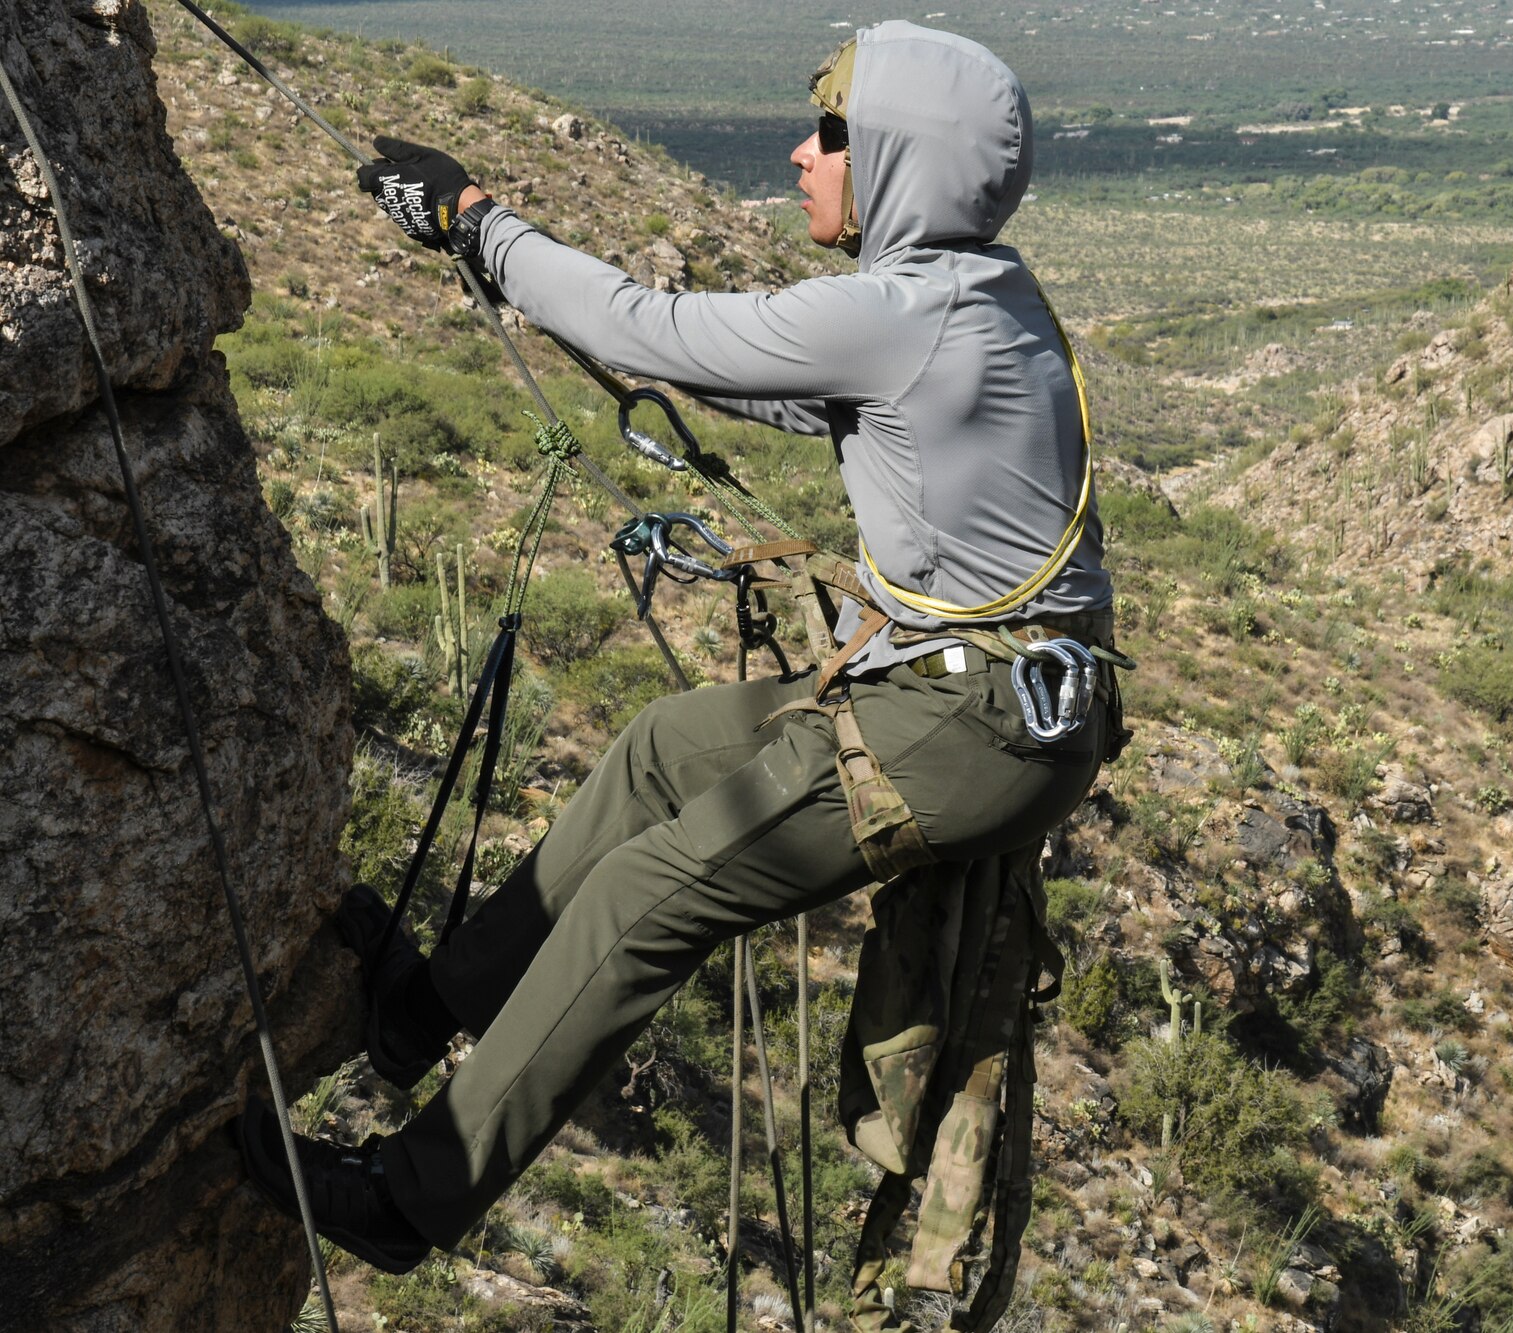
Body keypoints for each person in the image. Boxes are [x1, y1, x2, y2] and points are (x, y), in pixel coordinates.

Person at [236, 21, 1119, 1276]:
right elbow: (741, 374)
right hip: (982, 701)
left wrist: (475, 223)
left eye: (830, 137)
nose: (803, 155)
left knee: (655, 890)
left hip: (960, 729)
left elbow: (663, 332)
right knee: (663, 750)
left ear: (892, 160)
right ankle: (421, 1011)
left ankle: (411, 1198)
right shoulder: (977, 293)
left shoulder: (904, 312)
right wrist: (546, 292)